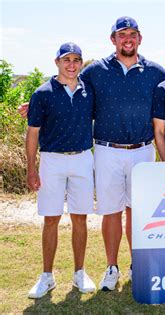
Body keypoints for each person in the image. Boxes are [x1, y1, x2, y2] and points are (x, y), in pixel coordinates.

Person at [78, 16, 165, 291]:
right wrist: (37, 100)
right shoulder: (95, 71)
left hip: (142, 150)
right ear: (113, 40)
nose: (127, 38)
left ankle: (136, 264)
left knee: (137, 211)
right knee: (111, 211)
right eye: (122, 34)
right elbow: (67, 85)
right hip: (107, 150)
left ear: (140, 39)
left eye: (132, 34)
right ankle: (111, 267)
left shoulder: (156, 71)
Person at [26, 43, 96, 298]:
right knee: (51, 218)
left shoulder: (89, 91)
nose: (71, 64)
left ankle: (79, 273)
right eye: (66, 59)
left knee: (80, 217)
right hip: (51, 160)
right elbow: (32, 133)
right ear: (56, 62)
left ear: (81, 63)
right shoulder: (42, 93)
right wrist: (31, 168)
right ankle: (47, 276)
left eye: (76, 60)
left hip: (82, 159)